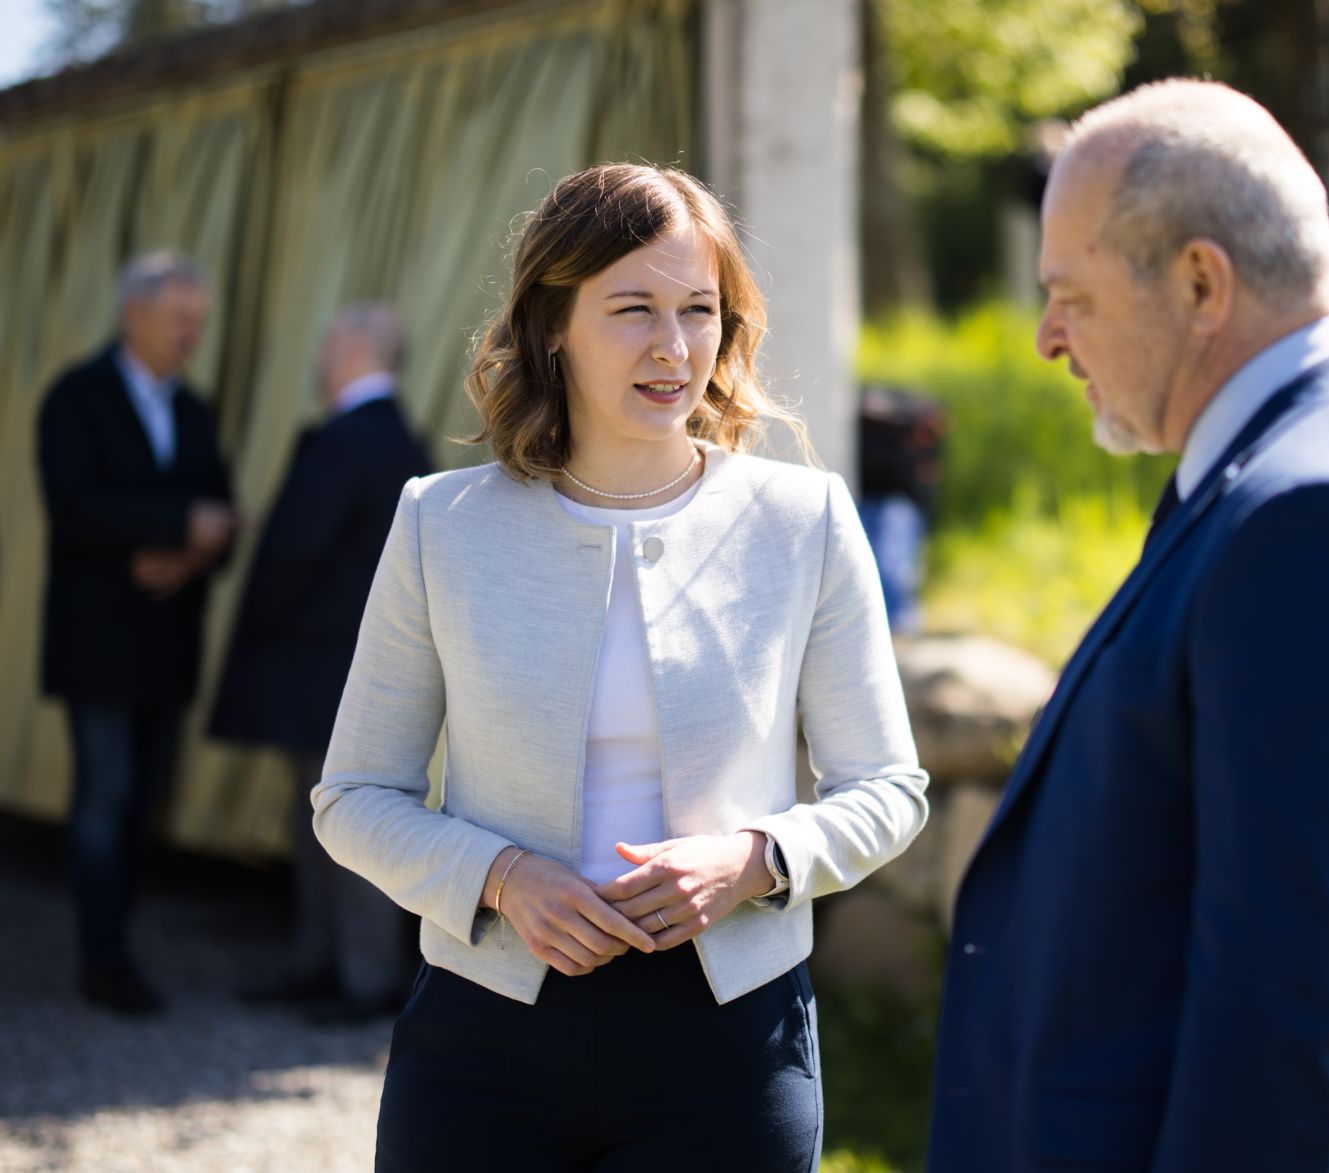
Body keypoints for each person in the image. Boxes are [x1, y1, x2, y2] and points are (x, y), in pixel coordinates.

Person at [927, 80, 1329, 1171]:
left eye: (1069, 295)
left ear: (1200, 281)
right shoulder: (1305, 467)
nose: (1043, 340)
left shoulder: (1316, 523)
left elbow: (1278, 1031)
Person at [312, 163, 929, 1169]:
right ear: (552, 323)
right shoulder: (440, 522)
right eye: (632, 308)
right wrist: (503, 879)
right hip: (483, 1041)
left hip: (730, 1046)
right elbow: (351, 797)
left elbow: (888, 791)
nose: (673, 347)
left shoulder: (803, 521)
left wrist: (756, 860)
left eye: (699, 310)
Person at [210, 303, 430, 1022]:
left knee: (347, 826)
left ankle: (363, 980)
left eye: (328, 340)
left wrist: (262, 626)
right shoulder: (399, 439)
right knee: (324, 823)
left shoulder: (347, 439)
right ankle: (324, 963)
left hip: (320, 667)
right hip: (353, 669)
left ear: (352, 349)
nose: (319, 354)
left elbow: (296, 554)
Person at [35, 249, 237, 1015]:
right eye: (180, 318)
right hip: (97, 646)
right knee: (104, 796)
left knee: (142, 801)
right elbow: (73, 508)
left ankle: (116, 938)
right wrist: (181, 524)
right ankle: (102, 956)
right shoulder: (75, 397)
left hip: (167, 644)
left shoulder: (194, 408)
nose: (191, 333)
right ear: (133, 315)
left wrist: (188, 558)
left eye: (199, 321)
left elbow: (224, 517)